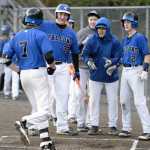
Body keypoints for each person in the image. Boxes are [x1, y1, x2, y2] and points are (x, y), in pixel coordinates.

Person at [2, 8, 56, 150]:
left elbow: (5, 59)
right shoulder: (40, 34)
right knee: (47, 112)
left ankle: (45, 141)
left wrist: (18, 70)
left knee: (39, 110)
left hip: (24, 74)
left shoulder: (16, 36)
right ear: (39, 20)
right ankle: (24, 123)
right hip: (38, 73)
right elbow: (49, 56)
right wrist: (52, 66)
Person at [40, 4, 80, 135]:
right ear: (56, 14)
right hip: (46, 65)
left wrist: (77, 70)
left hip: (62, 67)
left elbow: (75, 53)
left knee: (63, 97)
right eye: (60, 14)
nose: (63, 17)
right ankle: (37, 126)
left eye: (65, 15)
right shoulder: (45, 25)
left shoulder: (71, 33)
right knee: (43, 96)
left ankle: (62, 127)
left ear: (68, 16)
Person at [82, 17, 122, 135]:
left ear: (107, 29)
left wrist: (113, 63)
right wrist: (88, 61)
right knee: (93, 101)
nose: (100, 30)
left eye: (103, 28)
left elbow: (119, 57)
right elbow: (85, 54)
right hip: (95, 76)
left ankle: (113, 126)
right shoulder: (91, 40)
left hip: (111, 77)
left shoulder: (114, 41)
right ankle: (94, 125)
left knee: (113, 101)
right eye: (98, 28)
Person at [119, 11, 150, 140]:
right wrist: (114, 65)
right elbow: (123, 57)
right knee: (124, 101)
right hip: (125, 71)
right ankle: (126, 128)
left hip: (136, 71)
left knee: (139, 102)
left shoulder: (140, 37)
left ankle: (148, 129)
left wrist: (145, 69)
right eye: (124, 22)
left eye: (128, 21)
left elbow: (147, 54)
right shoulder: (125, 39)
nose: (126, 24)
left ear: (134, 23)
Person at [76, 10, 100, 132]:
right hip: (81, 66)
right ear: (88, 20)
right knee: (80, 95)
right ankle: (80, 122)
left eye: (95, 19)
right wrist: (82, 43)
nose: (92, 21)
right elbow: (74, 49)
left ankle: (91, 122)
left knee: (93, 96)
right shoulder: (82, 32)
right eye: (91, 19)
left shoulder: (101, 32)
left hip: (94, 68)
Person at [0, 25, 11, 98]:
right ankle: (6, 92)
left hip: (7, 59)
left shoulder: (10, 40)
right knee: (4, 76)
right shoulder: (1, 40)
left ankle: (6, 92)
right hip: (1, 59)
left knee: (7, 77)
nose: (4, 34)